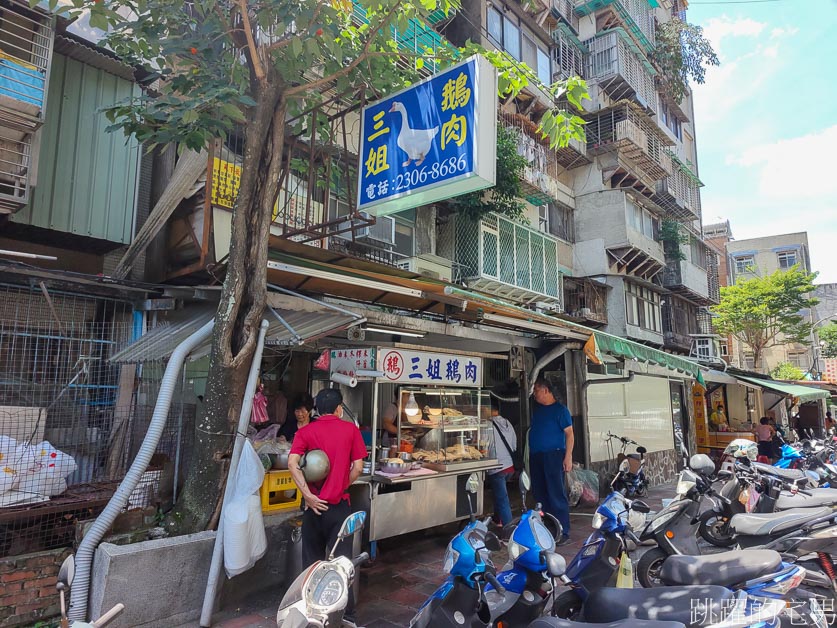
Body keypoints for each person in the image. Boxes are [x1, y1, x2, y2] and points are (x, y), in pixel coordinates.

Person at [288, 388, 366, 626]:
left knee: (311, 565)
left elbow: (292, 463)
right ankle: (346, 617)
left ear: (316, 411)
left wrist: (308, 495)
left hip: (313, 509)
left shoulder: (306, 431)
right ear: (339, 409)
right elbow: (359, 467)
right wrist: (342, 484)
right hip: (339, 509)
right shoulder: (350, 430)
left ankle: (310, 615)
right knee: (341, 565)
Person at [529, 377, 574, 545]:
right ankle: (546, 528)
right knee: (540, 493)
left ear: (546, 390)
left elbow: (570, 435)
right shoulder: (538, 410)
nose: (534, 395)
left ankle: (563, 531)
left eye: (536, 391)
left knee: (556, 493)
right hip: (537, 456)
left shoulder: (561, 410)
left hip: (554, 455)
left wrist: (568, 456)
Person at [485, 398, 517, 528]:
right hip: (510, 466)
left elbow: (485, 446)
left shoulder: (487, 425)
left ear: (488, 409)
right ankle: (498, 519)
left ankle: (509, 529)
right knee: (499, 494)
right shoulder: (507, 422)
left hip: (497, 468)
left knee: (502, 499)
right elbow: (514, 445)